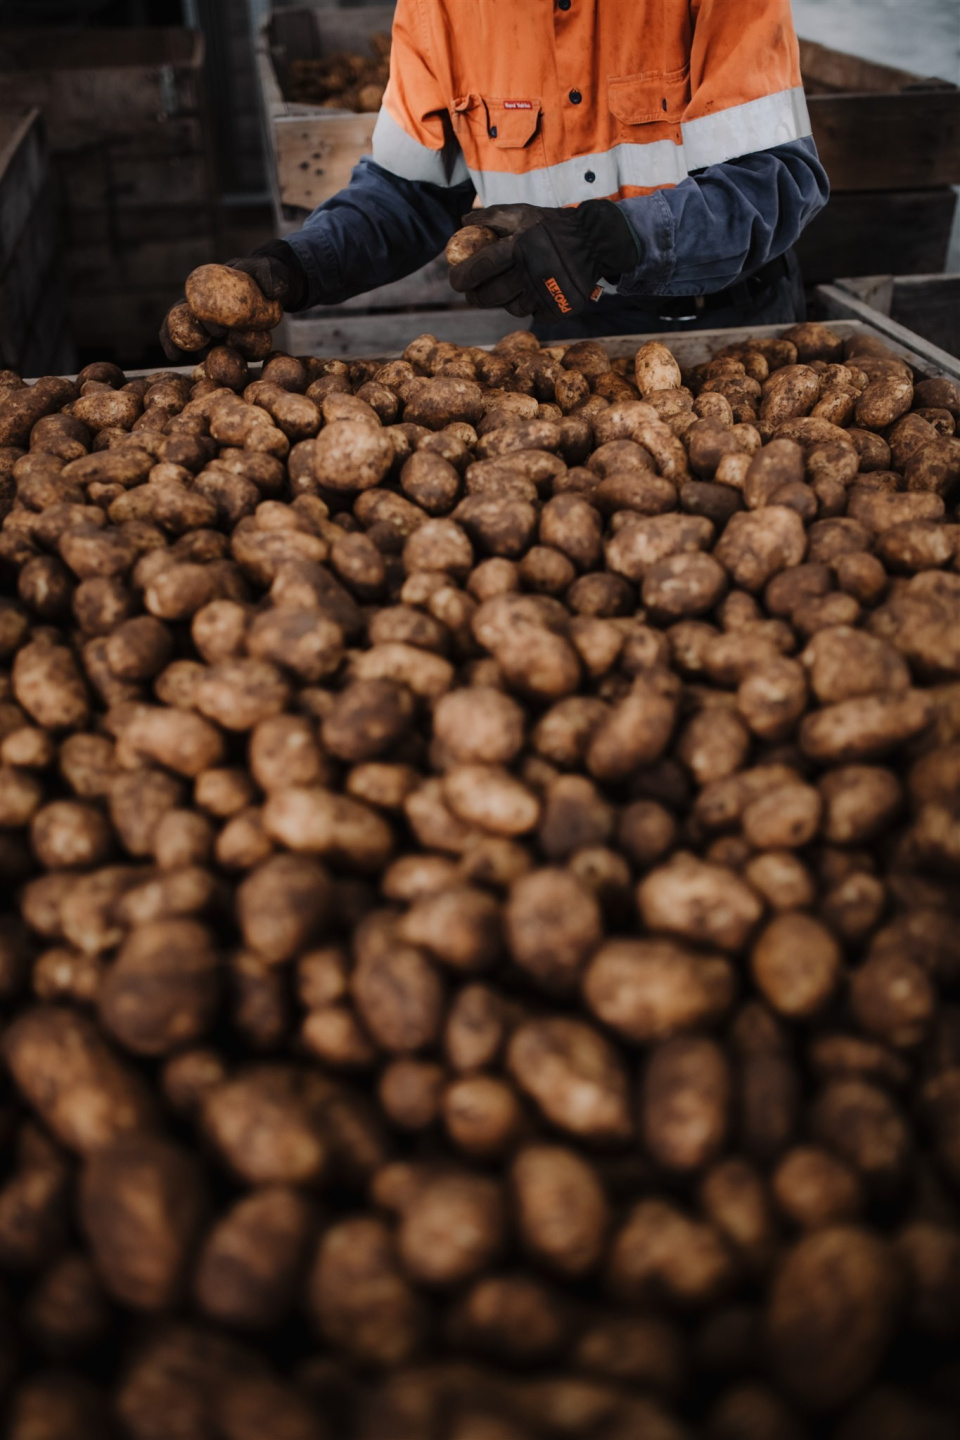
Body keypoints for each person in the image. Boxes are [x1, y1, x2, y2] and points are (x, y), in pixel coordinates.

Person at [161, 0, 829, 357]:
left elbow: (777, 181)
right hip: (571, 350)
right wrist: (292, 267)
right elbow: (409, 190)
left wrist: (615, 239)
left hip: (741, 337)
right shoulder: (440, 9)